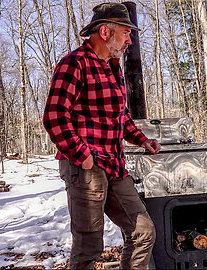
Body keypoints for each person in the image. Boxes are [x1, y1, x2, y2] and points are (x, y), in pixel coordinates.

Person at [43, 2, 161, 269]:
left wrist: (141, 139)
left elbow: (119, 114)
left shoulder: (113, 67)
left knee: (143, 232)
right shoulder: (74, 64)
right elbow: (54, 116)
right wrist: (82, 155)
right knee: (89, 246)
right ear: (105, 32)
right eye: (126, 33)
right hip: (86, 167)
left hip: (114, 164)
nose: (130, 40)